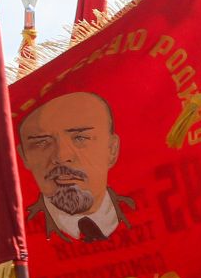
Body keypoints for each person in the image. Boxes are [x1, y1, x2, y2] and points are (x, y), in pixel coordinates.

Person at [18, 89, 135, 242]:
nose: (61, 156)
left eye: (80, 138)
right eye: (42, 142)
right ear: (24, 156)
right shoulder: (12, 237)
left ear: (112, 149)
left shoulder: (145, 211)